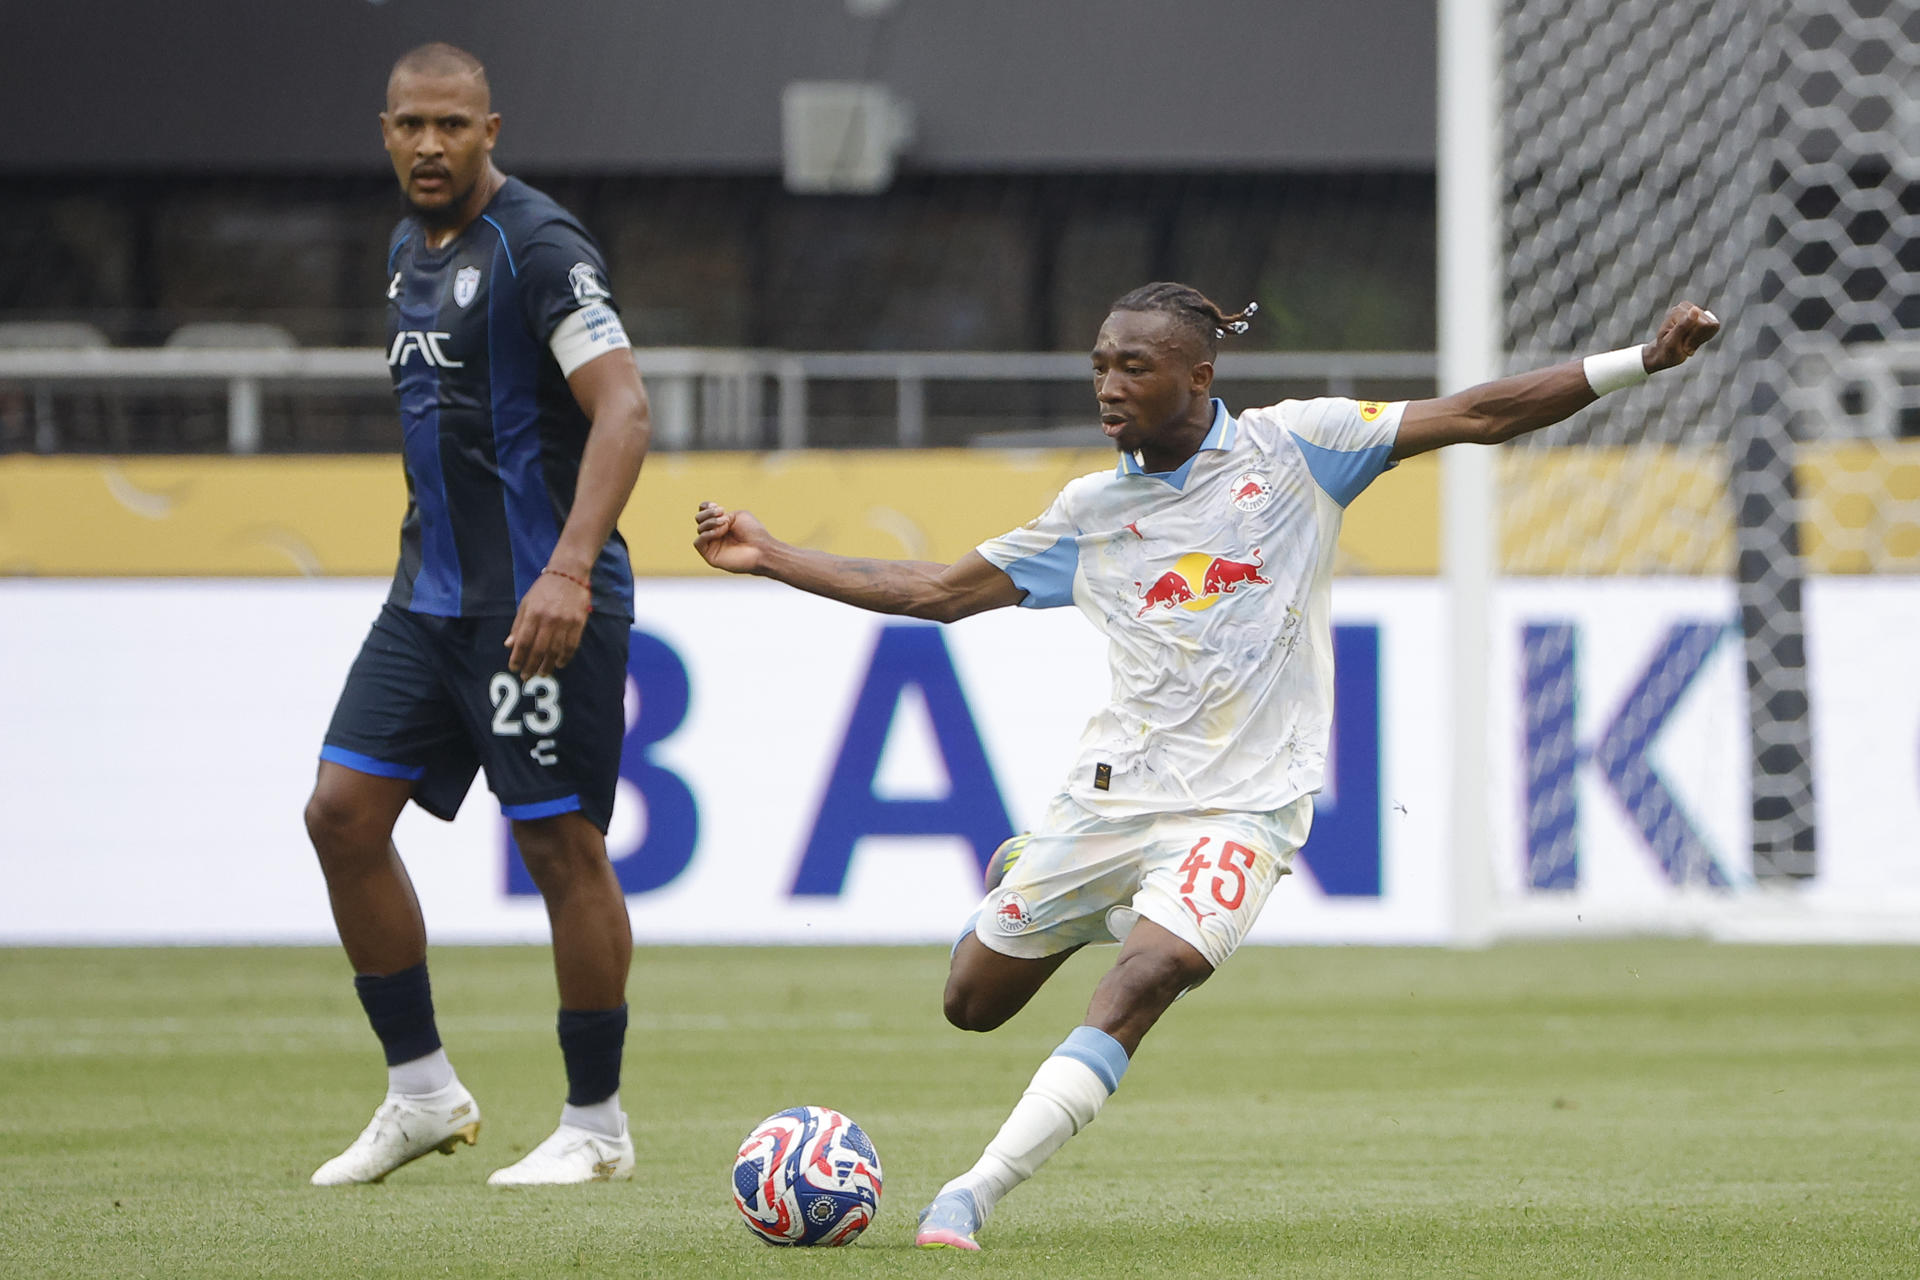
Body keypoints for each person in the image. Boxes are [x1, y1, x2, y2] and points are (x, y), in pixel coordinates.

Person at [692, 282, 1721, 1248]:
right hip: (1113, 797)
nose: (1108, 385)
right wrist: (773, 553)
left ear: (1199, 376)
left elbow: (1479, 413)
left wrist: (1641, 359)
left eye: (1134, 365)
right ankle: (1040, 876)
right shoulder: (1088, 515)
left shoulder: (1301, 449)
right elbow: (933, 589)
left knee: (1154, 969)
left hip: (1246, 806)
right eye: (1099, 364)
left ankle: (973, 1190)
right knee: (972, 1001)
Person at [305, 43, 650, 1187]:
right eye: (410, 124)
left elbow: (624, 412)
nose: (429, 145)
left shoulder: (539, 249)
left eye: (452, 125)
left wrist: (567, 569)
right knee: (342, 815)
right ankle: (421, 1090)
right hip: (428, 600)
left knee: (560, 846)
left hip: (537, 599)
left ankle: (596, 1124)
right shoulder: (408, 250)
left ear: (491, 129)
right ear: (385, 128)